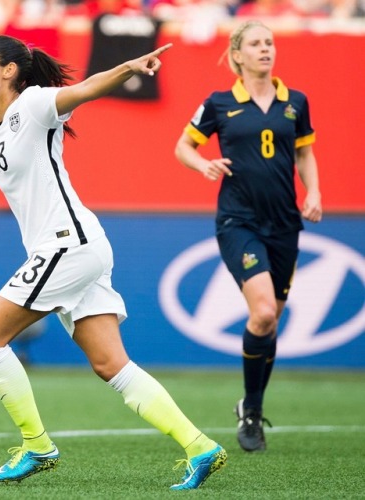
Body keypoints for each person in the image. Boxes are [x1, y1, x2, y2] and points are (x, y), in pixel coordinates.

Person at [0, 35, 227, 489]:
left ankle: (37, 446)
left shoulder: (34, 105)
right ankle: (200, 446)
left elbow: (86, 88)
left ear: (9, 70)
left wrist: (128, 68)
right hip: (77, 246)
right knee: (111, 365)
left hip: (66, 245)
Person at [174, 20, 322, 452]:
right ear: (237, 55)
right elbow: (183, 146)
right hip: (238, 221)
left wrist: (314, 191)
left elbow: (304, 152)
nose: (265, 49)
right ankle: (253, 411)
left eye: (269, 43)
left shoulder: (295, 101)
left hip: (285, 224)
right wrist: (203, 164)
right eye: (256, 44)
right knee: (263, 313)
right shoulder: (219, 103)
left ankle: (250, 406)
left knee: (269, 322)